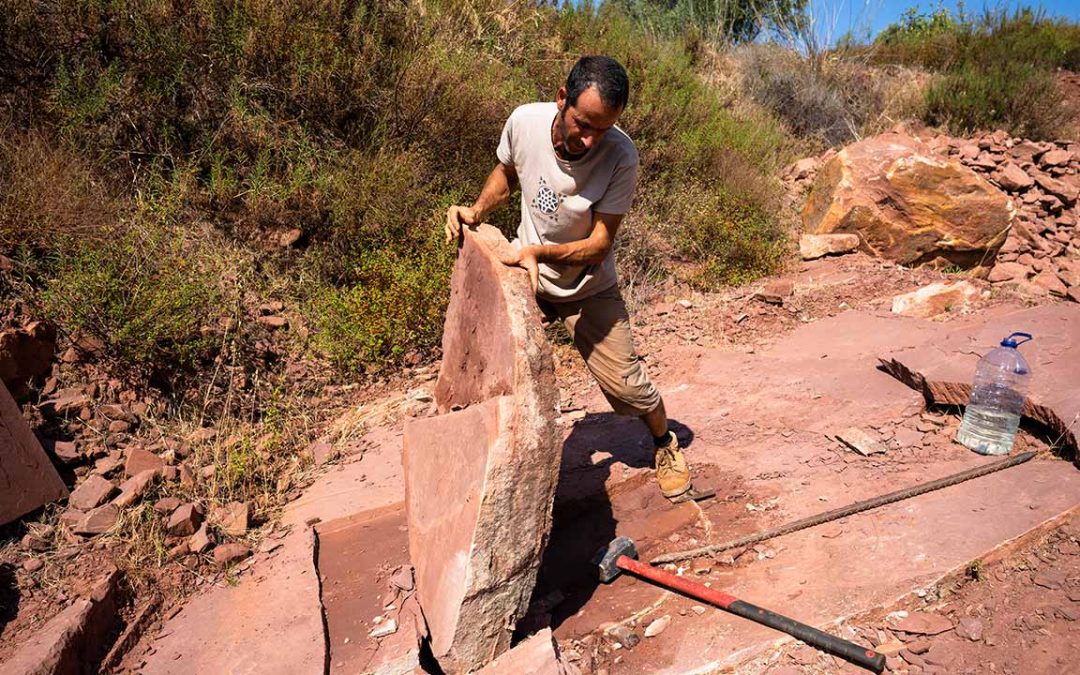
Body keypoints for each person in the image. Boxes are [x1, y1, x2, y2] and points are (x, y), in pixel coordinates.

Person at [445, 55, 698, 502]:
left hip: (586, 286)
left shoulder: (621, 155)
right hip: (526, 270)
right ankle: (490, 475)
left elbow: (600, 242)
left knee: (627, 390)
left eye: (601, 129)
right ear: (562, 98)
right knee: (490, 366)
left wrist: (540, 252)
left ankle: (663, 441)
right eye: (583, 124)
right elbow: (506, 175)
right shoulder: (524, 121)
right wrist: (477, 210)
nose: (589, 138)